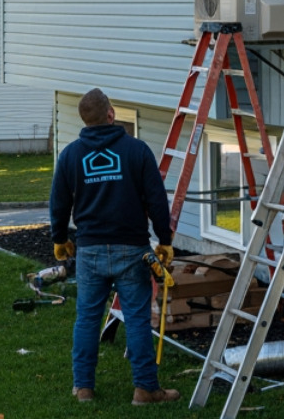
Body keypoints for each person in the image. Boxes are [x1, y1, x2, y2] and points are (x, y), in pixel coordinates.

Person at [50, 88, 177, 405]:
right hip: (132, 249)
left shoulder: (70, 155)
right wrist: (165, 240)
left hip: (89, 251)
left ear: (85, 120)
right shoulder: (137, 150)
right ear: (111, 114)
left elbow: (59, 202)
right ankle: (145, 389)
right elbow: (157, 200)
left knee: (87, 319)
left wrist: (59, 239)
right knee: (136, 319)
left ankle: (83, 388)